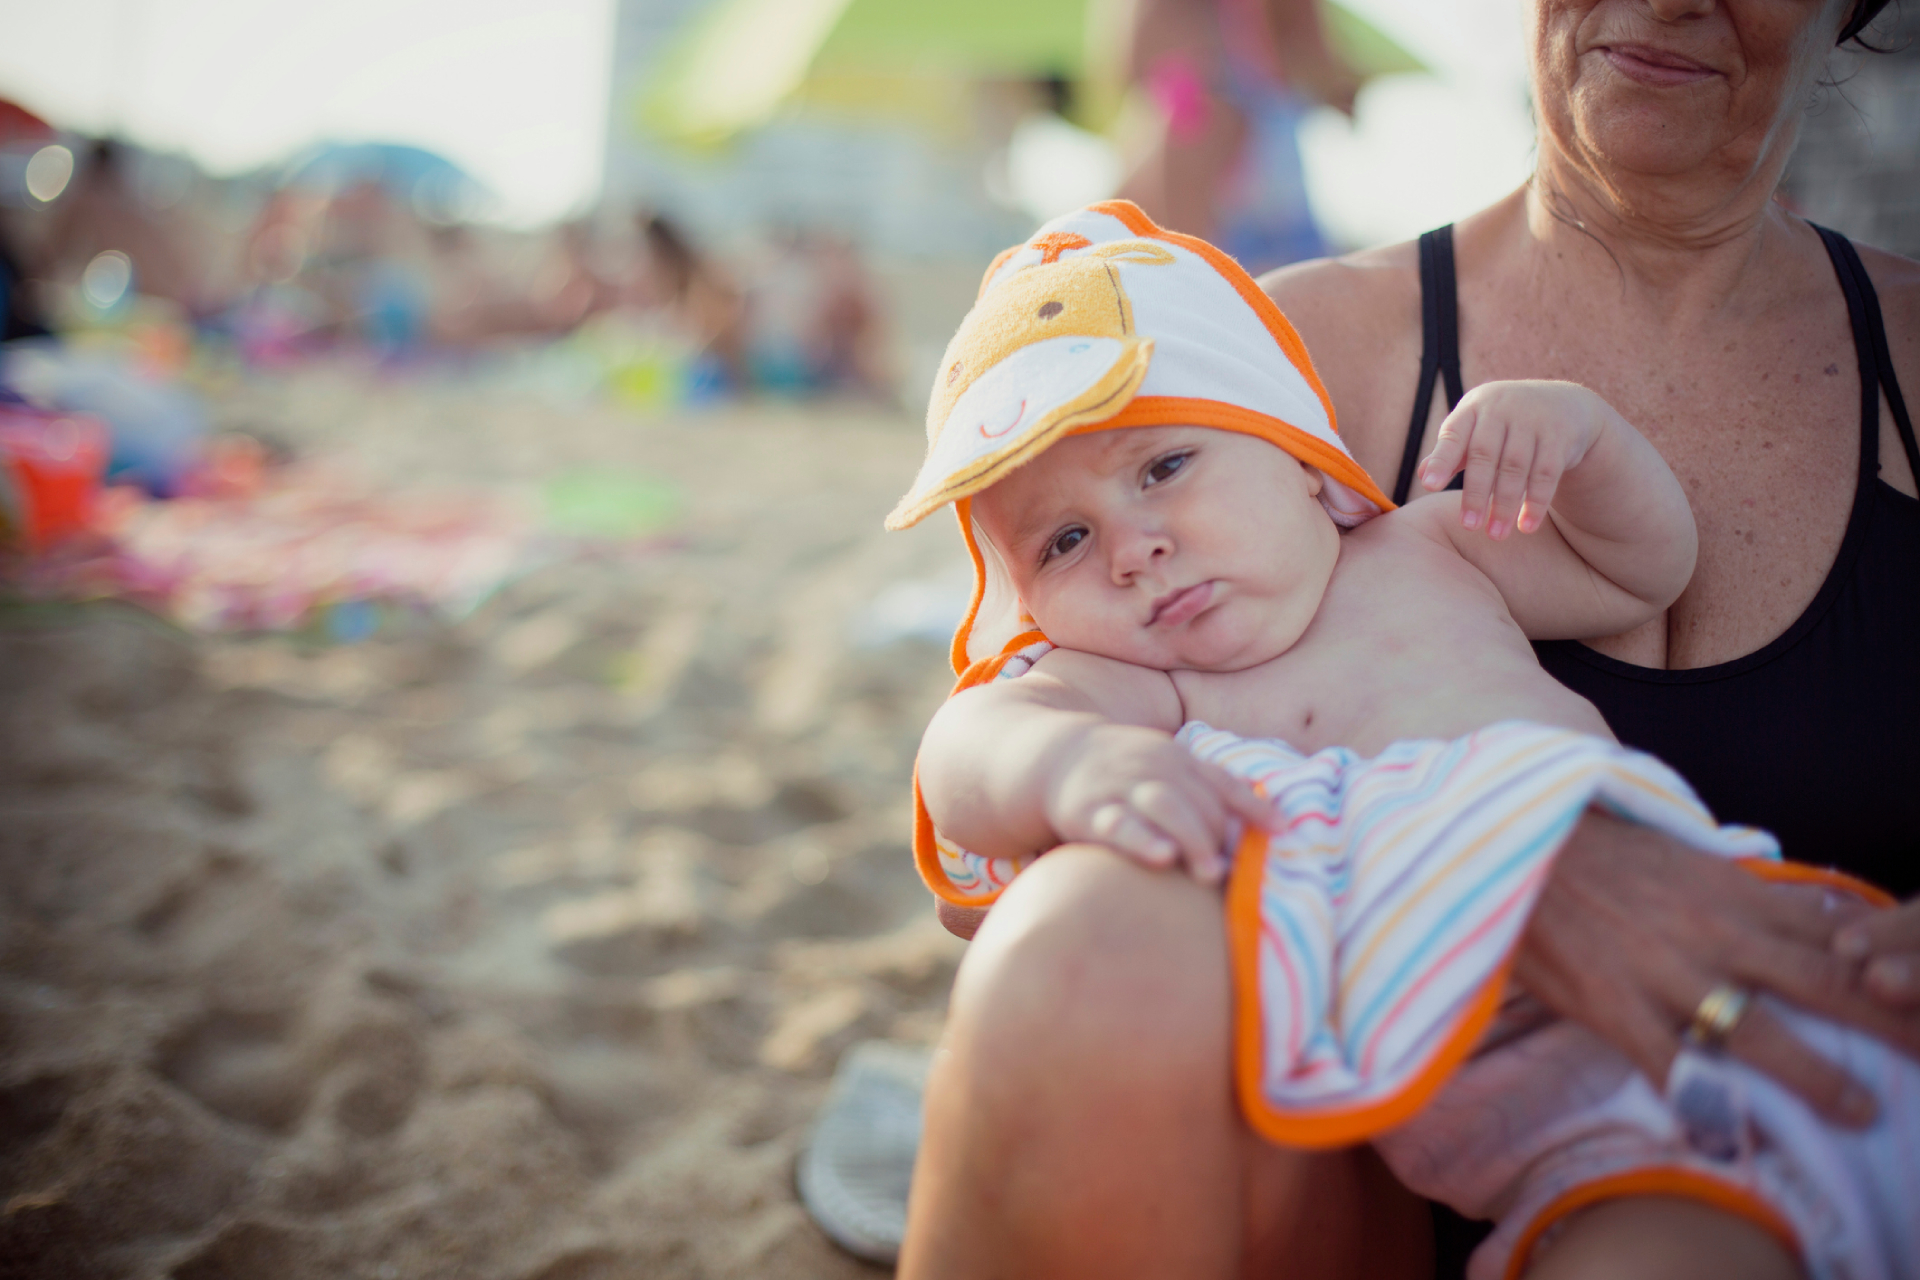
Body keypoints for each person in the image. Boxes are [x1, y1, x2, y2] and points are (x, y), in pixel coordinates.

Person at [903, 2, 1920, 1277]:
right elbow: (977, 742)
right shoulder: (1153, 662)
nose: (1133, 547)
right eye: (1062, 542)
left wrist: (1582, 439)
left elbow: (1643, 563)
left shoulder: (1419, 548)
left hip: (1764, 1029)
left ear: (1313, 470)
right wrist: (1073, 768)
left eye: (1163, 469)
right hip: (1477, 1135)